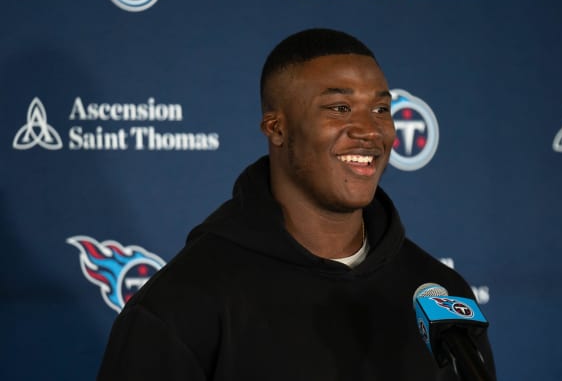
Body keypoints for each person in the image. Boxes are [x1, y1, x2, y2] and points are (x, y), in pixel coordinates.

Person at [97, 28, 495, 380]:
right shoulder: (184, 303)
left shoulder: (440, 296)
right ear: (277, 127)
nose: (369, 130)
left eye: (381, 109)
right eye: (339, 108)